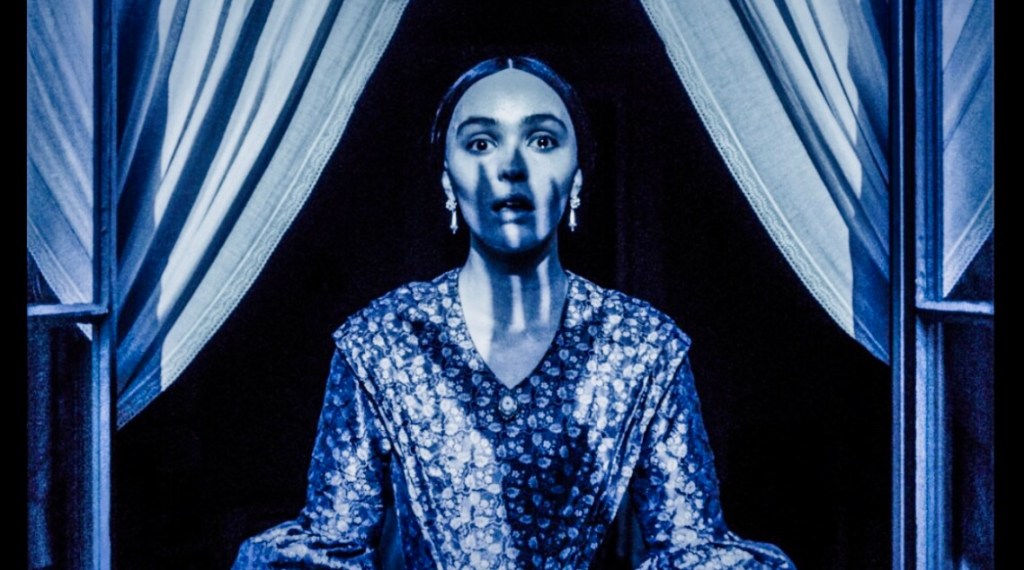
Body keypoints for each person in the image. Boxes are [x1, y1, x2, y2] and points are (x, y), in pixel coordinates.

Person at [233, 56, 794, 569]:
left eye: (543, 140)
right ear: (447, 177)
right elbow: (332, 545)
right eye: (481, 143)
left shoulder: (641, 345)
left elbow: (691, 550)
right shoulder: (385, 339)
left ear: (577, 174)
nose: (512, 167)